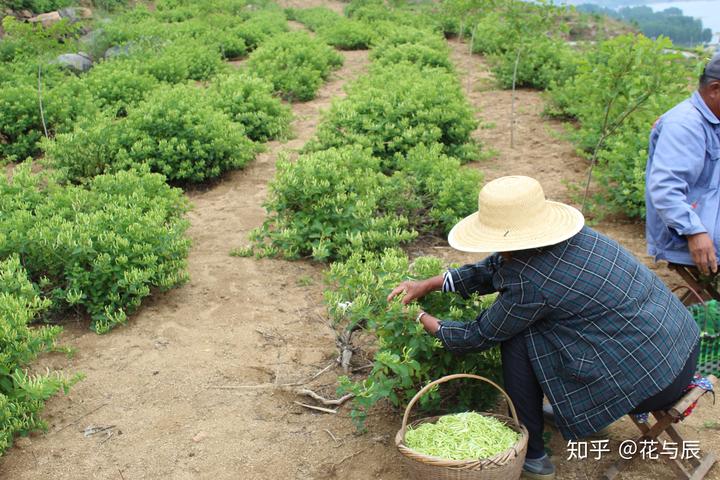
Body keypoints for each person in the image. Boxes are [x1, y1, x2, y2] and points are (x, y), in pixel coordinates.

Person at [388, 176, 700, 480]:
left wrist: (419, 318)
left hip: (652, 382)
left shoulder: (529, 282)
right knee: (543, 326)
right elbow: (494, 267)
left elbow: (477, 335)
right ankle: (577, 414)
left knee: (520, 337)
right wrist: (429, 283)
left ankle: (534, 455)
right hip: (679, 348)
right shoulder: (574, 237)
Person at [646, 53, 720, 276]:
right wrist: (694, 232)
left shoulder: (712, 120)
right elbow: (665, 189)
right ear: (715, 89)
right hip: (695, 236)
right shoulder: (685, 125)